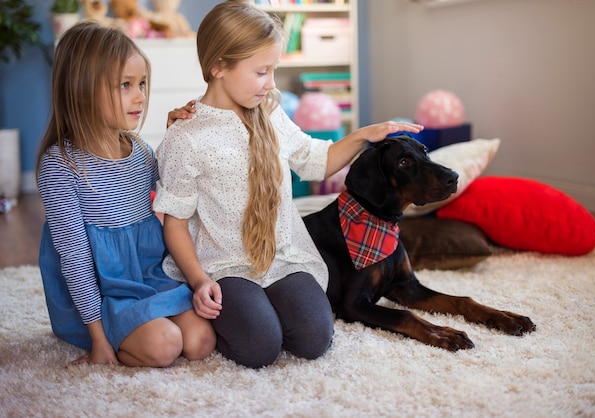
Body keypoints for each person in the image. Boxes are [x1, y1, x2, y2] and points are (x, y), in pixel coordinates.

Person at [153, 0, 424, 369]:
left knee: (314, 337)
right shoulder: (185, 137)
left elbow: (318, 161)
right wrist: (200, 282)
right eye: (262, 72)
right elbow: (176, 223)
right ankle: (206, 313)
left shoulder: (270, 113)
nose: (271, 84)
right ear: (218, 66)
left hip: (281, 259)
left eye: (274, 70)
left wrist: (365, 135)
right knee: (260, 346)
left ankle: (260, 310)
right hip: (224, 266)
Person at [36, 21, 216, 368]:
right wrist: (98, 340)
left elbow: (172, 190)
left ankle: (143, 325)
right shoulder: (60, 166)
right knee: (166, 345)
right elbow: (74, 260)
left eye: (142, 84)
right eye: (126, 85)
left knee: (200, 340)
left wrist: (175, 137)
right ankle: (113, 334)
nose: (141, 96)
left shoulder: (139, 150)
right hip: (103, 292)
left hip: (147, 276)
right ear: (82, 90)